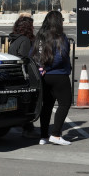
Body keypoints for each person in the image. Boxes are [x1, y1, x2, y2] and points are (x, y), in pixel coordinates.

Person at [30, 10, 73, 145]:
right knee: (65, 103)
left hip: (44, 76)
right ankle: (56, 134)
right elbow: (61, 56)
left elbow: (32, 54)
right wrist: (49, 67)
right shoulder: (60, 37)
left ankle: (43, 136)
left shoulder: (40, 37)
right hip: (59, 75)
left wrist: (41, 68)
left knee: (47, 105)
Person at [6, 15, 37, 137]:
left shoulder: (15, 38)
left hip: (14, 74)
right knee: (28, 102)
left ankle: (26, 126)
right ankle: (28, 128)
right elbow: (24, 58)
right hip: (23, 76)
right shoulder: (25, 40)